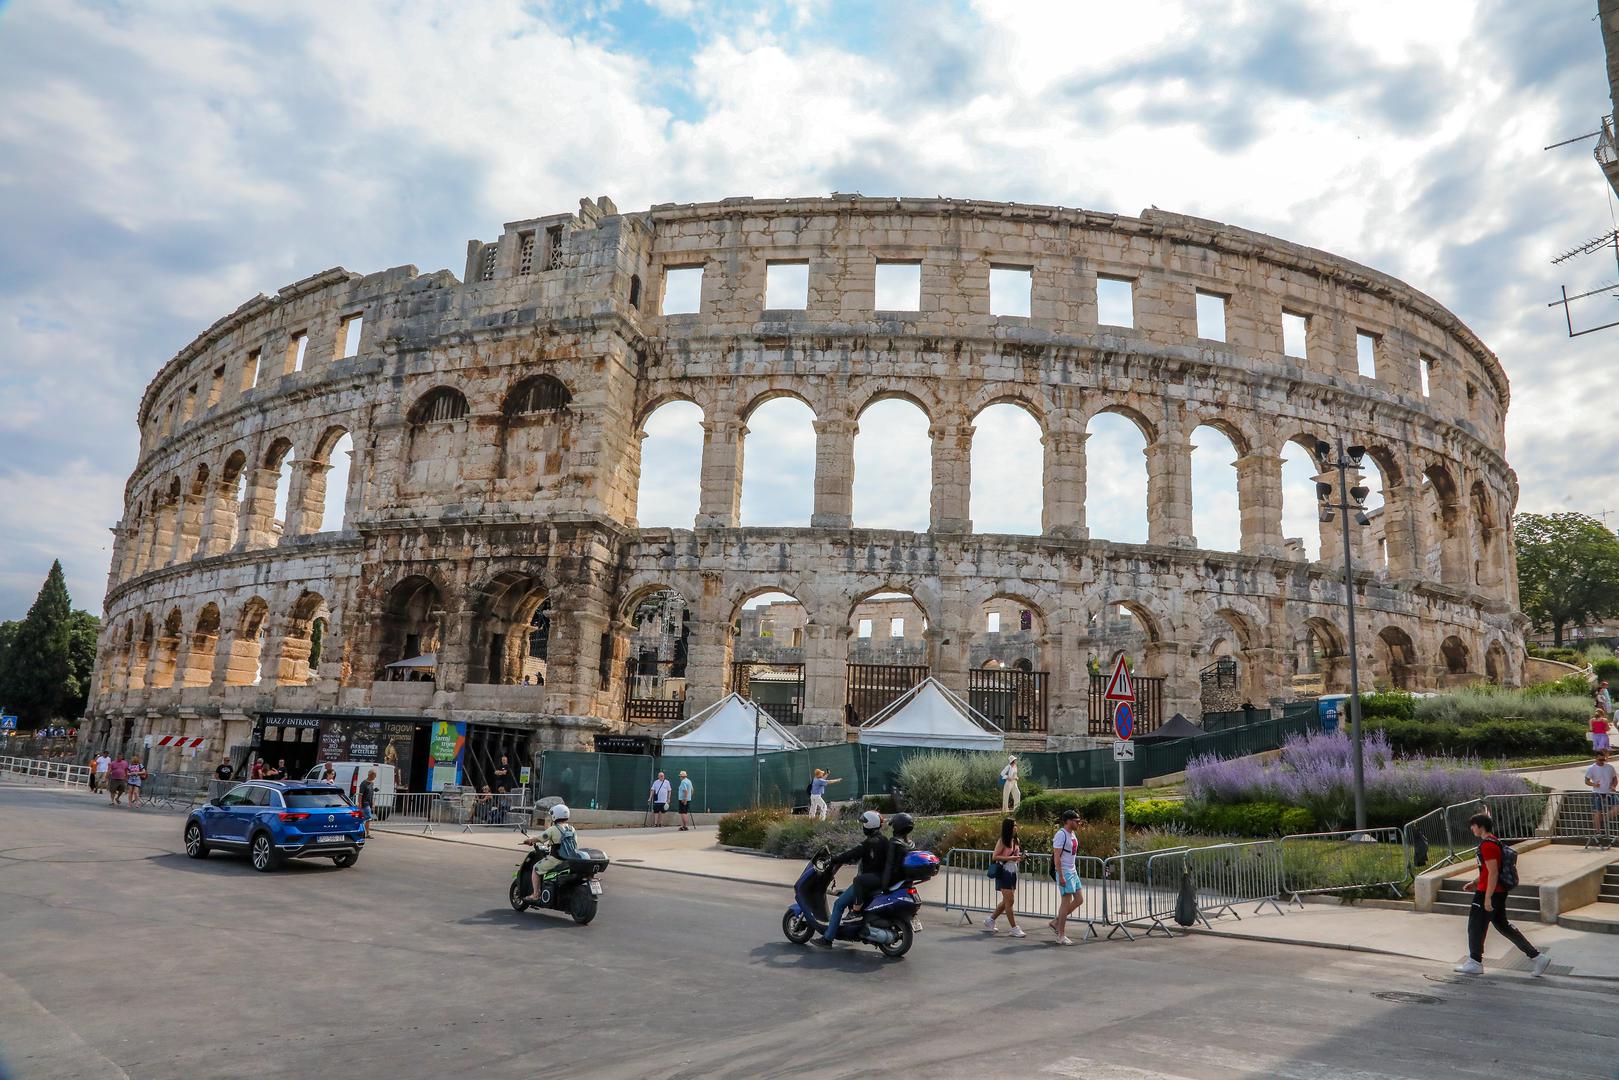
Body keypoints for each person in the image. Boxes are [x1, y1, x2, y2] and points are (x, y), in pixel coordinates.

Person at [1454, 813, 1550, 977]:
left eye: (1473, 825)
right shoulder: (1493, 842)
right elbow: (1488, 871)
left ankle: (1475, 962)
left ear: (1480, 826)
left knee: (1475, 926)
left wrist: (1487, 897)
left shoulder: (1487, 845)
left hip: (1489, 892)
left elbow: (1493, 873)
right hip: (1494, 891)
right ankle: (1537, 957)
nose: (1472, 829)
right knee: (1503, 926)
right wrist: (1476, 882)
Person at [815, 810, 890, 948]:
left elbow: (852, 854)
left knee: (839, 904)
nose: (862, 827)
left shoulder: (868, 844)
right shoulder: (884, 840)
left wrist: (835, 859)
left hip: (868, 882)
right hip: (880, 880)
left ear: (869, 825)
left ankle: (827, 939)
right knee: (844, 892)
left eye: (864, 824)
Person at [519, 803, 578, 901]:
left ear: (555, 816)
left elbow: (541, 838)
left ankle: (536, 894)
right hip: (569, 860)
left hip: (556, 859)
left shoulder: (553, 829)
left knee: (536, 869)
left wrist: (529, 841)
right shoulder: (572, 829)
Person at [984, 817, 1025, 937]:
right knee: (1010, 901)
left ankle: (990, 920)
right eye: (1014, 825)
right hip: (1004, 872)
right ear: (1009, 827)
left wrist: (1020, 858)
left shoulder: (1015, 840)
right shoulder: (1002, 841)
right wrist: (1010, 858)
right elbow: (995, 856)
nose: (1016, 827)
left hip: (1013, 871)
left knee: (1007, 900)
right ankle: (1014, 928)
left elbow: (1016, 856)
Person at [1050, 809, 1085, 945]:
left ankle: (1056, 922)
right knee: (1065, 903)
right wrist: (1061, 875)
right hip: (1064, 871)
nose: (1078, 823)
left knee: (1079, 899)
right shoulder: (1061, 835)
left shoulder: (1072, 834)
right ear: (1069, 821)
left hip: (1072, 871)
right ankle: (1061, 934)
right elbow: (1057, 857)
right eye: (1076, 821)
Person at [1586, 749, 1619, 845]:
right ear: (1596, 758)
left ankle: (1604, 819)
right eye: (1600, 760)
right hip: (1597, 792)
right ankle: (1598, 831)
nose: (1602, 762)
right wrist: (1594, 784)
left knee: (1617, 807)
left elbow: (1615, 779)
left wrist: (1613, 786)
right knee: (1597, 811)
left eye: (1604, 760)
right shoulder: (1591, 768)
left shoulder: (1610, 767)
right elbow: (1586, 780)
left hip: (1609, 792)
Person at [358, 769, 377, 838]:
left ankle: (362, 832)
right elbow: (360, 795)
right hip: (365, 804)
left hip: (369, 803)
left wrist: (373, 803)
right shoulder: (363, 783)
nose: (375, 777)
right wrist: (360, 804)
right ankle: (367, 833)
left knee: (363, 819)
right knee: (368, 818)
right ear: (370, 775)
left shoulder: (372, 783)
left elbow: (372, 794)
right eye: (374, 775)